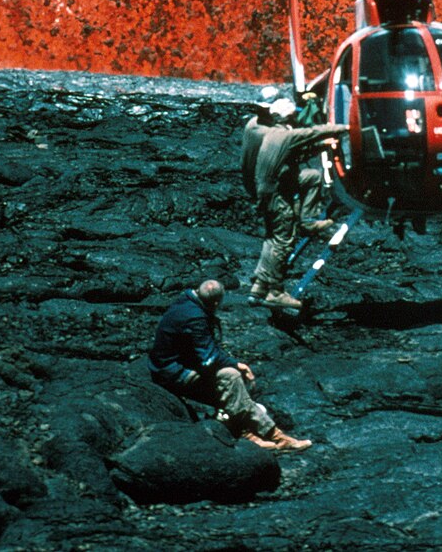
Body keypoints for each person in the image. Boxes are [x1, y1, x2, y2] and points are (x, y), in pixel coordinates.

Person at [148, 279, 311, 451]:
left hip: (171, 364)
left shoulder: (186, 300)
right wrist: (235, 364)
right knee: (231, 377)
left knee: (232, 387)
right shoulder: (195, 318)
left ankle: (247, 432)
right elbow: (208, 358)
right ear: (216, 302)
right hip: (172, 373)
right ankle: (276, 436)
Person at [243, 92, 347, 309]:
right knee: (283, 239)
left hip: (265, 187)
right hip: (275, 193)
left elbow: (295, 150)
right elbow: (311, 133)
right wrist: (345, 128)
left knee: (272, 236)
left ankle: (260, 285)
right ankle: (276, 292)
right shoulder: (282, 135)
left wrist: (321, 145)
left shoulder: (264, 131)